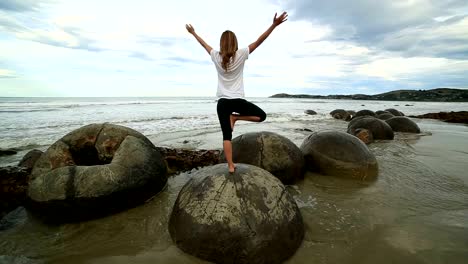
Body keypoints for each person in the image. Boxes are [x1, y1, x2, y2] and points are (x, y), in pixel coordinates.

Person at [186, 12, 288, 173]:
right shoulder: (241, 54)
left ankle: (231, 166)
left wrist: (193, 33)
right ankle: (236, 117)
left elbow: (204, 44)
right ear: (235, 43)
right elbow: (260, 41)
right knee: (261, 116)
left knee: (227, 136)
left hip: (223, 103)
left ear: (221, 43)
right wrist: (274, 25)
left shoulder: (215, 56)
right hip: (238, 101)